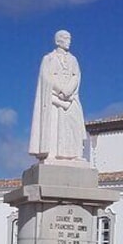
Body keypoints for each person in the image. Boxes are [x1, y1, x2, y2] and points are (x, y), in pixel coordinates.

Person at [28, 30, 86, 162]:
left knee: (73, 124)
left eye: (70, 38)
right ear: (58, 41)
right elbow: (45, 77)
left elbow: (76, 76)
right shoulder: (48, 59)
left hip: (70, 98)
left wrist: (69, 90)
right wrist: (61, 90)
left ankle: (75, 154)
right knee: (53, 126)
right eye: (66, 38)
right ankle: (52, 153)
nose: (69, 41)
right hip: (53, 98)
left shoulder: (73, 59)